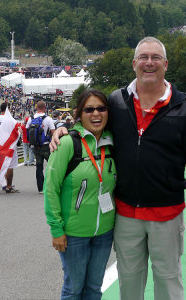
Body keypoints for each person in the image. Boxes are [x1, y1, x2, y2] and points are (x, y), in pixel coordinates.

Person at [51, 36, 186, 300]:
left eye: (155, 58)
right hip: (126, 214)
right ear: (134, 63)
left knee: (169, 281)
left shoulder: (184, 108)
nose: (150, 63)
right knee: (129, 282)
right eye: (144, 58)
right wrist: (65, 128)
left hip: (166, 214)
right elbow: (93, 123)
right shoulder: (117, 101)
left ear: (165, 64)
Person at [44, 89, 117, 299]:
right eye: (89, 109)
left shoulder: (113, 141)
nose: (96, 114)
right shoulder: (67, 143)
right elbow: (51, 189)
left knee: (94, 289)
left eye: (101, 108)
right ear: (79, 113)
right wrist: (56, 228)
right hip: (74, 234)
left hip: (104, 232)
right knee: (73, 290)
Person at [26, 100, 55, 194]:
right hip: (46, 146)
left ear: (36, 107)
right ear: (45, 108)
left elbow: (27, 130)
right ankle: (52, 185)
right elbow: (53, 132)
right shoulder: (48, 119)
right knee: (52, 165)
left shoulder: (31, 118)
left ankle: (40, 188)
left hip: (35, 146)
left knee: (39, 167)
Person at [0, 102, 20, 193]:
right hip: (9, 147)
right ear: (9, 109)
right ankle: (9, 186)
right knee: (9, 167)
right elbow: (16, 134)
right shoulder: (12, 121)